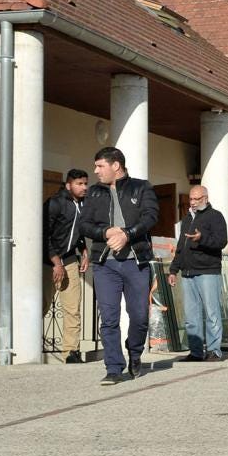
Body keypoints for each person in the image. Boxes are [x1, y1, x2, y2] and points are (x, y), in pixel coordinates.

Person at [81, 146, 159, 385]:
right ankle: (113, 367)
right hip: (105, 264)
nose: (96, 171)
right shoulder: (94, 193)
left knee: (138, 316)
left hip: (136, 262)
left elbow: (150, 217)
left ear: (116, 165)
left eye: (100, 166)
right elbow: (84, 225)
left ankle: (134, 351)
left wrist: (127, 234)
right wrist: (105, 231)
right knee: (109, 317)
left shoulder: (141, 187)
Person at [168, 185, 228, 362]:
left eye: (196, 199)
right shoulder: (187, 219)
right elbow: (181, 246)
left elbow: (221, 241)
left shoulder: (215, 216)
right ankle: (195, 352)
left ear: (206, 198)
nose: (193, 202)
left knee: (211, 313)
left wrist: (202, 238)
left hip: (207, 271)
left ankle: (214, 351)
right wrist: (173, 269)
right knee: (191, 315)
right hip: (187, 272)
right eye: (191, 199)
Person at [43, 168, 89, 363]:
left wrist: (84, 251)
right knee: (41, 306)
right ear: (69, 185)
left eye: (86, 183)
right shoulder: (54, 203)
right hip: (47, 262)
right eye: (80, 184)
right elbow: (44, 234)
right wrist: (55, 262)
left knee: (72, 308)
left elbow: (78, 232)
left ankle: (71, 352)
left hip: (70, 260)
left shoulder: (84, 205)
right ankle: (25, 348)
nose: (84, 187)